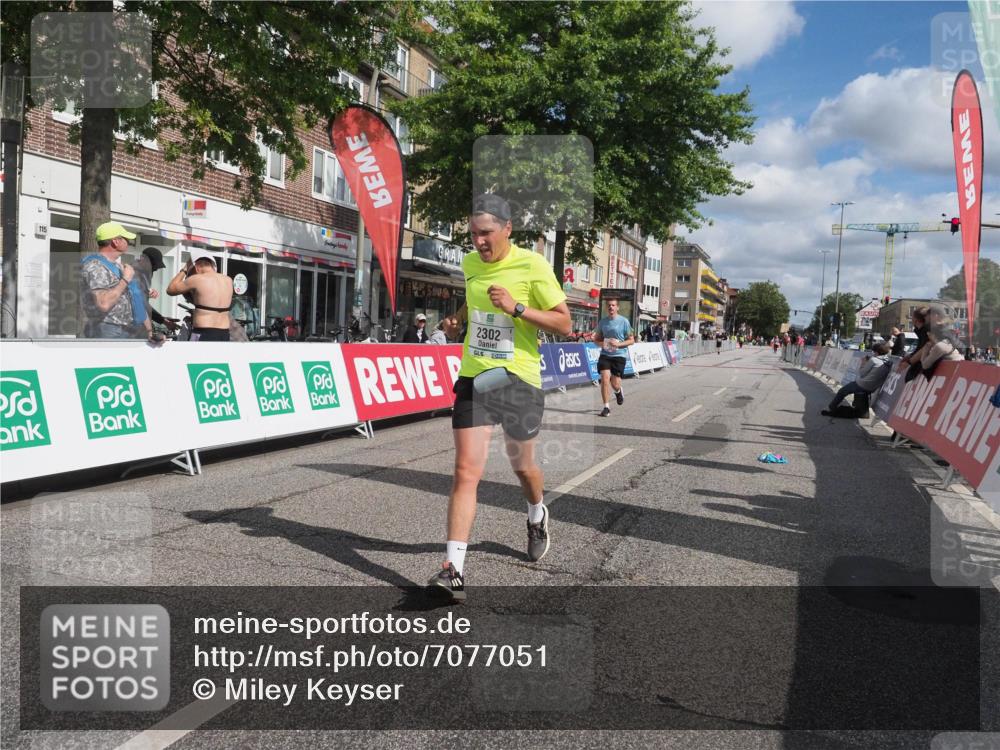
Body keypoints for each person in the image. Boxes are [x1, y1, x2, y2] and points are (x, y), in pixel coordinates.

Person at [427, 194, 571, 601]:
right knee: (465, 470)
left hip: (517, 380)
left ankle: (536, 512)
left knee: (522, 466)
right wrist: (459, 321)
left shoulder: (533, 265)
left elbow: (563, 323)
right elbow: (475, 301)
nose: (479, 242)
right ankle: (452, 567)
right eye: (473, 234)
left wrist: (517, 307)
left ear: (508, 229)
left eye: (486, 233)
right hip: (475, 376)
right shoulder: (470, 265)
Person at [80, 222, 146, 339]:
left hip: (123, 328)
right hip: (108, 328)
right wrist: (125, 279)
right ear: (116, 241)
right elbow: (103, 303)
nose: (129, 242)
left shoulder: (115, 266)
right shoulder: (95, 266)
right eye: (126, 239)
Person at [166, 249, 234, 341]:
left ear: (197, 267)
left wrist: (185, 269)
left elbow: (170, 289)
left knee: (195, 356)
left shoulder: (197, 279)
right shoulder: (228, 280)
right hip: (224, 333)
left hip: (204, 332)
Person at [822, 341, 893, 415]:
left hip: (863, 385)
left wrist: (864, 362)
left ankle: (832, 407)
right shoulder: (888, 361)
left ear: (876, 352)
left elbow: (862, 373)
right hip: (873, 388)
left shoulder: (874, 360)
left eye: (874, 351)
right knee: (852, 387)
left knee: (842, 391)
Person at [593, 298, 635, 417]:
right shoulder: (603, 322)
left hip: (619, 355)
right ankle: (606, 407)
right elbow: (596, 339)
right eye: (609, 305)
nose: (611, 307)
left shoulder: (624, 321)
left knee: (615, 383)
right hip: (605, 355)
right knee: (605, 379)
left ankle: (618, 391)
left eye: (613, 305)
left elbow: (632, 340)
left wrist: (619, 344)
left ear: (617, 307)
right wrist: (602, 344)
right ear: (607, 308)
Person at [132, 247, 180, 341]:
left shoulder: (144, 274)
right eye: (154, 266)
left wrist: (163, 320)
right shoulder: (133, 273)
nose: (156, 269)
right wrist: (161, 322)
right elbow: (139, 305)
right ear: (143, 259)